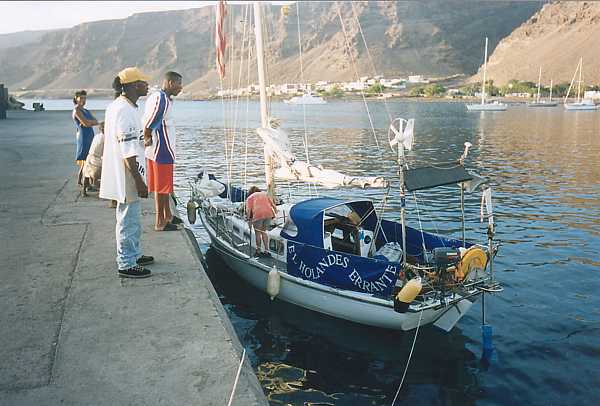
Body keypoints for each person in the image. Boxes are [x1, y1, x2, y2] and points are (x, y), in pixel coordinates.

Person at [99, 67, 153, 278]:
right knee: (128, 218)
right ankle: (126, 263)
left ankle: (134, 253)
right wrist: (139, 181)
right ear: (133, 85)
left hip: (127, 171)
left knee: (131, 216)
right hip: (128, 173)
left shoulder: (119, 106)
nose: (147, 85)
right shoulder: (125, 110)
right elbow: (128, 151)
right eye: (144, 82)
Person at [143, 71, 184, 231]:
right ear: (170, 83)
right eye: (179, 84)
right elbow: (153, 118)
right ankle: (160, 221)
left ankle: (167, 215)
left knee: (164, 185)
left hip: (156, 149)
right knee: (162, 186)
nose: (181, 88)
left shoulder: (158, 97)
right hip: (162, 149)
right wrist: (147, 134)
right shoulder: (162, 99)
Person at [72, 90, 99, 196]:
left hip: (89, 135)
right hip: (83, 137)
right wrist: (90, 122)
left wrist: (90, 122)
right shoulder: (77, 110)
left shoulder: (85, 110)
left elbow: (95, 121)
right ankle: (85, 184)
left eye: (85, 98)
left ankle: (83, 182)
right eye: (81, 98)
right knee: (86, 160)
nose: (83, 100)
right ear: (76, 98)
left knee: (87, 160)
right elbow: (86, 123)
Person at [246, 186, 277, 257]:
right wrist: (275, 214)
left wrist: (248, 220)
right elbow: (273, 205)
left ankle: (258, 251)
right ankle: (267, 251)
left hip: (258, 214)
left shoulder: (250, 198)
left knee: (257, 233)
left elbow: (248, 210)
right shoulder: (265, 194)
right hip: (268, 214)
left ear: (250, 192)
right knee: (264, 232)